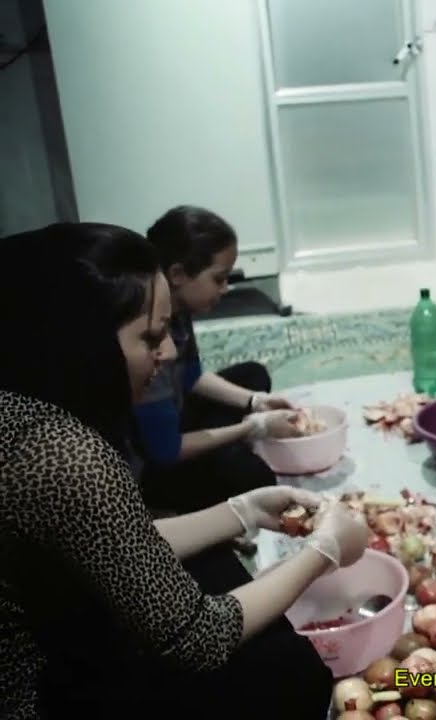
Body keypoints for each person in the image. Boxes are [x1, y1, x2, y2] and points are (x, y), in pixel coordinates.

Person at [0, 222, 370, 719]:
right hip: (44, 693)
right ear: (80, 346)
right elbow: (198, 638)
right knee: (291, 670)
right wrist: (322, 552)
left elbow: (117, 541)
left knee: (216, 560)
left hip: (64, 622)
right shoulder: (62, 454)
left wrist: (244, 512)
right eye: (151, 337)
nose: (170, 352)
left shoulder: (24, 408)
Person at [134, 205, 299, 518]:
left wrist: (254, 402)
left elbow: (191, 376)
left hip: (174, 415)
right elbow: (166, 451)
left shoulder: (178, 309)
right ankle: (225, 448)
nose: (226, 289)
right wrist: (251, 428)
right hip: (154, 465)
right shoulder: (149, 340)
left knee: (253, 376)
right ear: (178, 274)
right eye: (219, 279)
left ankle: (226, 438)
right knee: (255, 477)